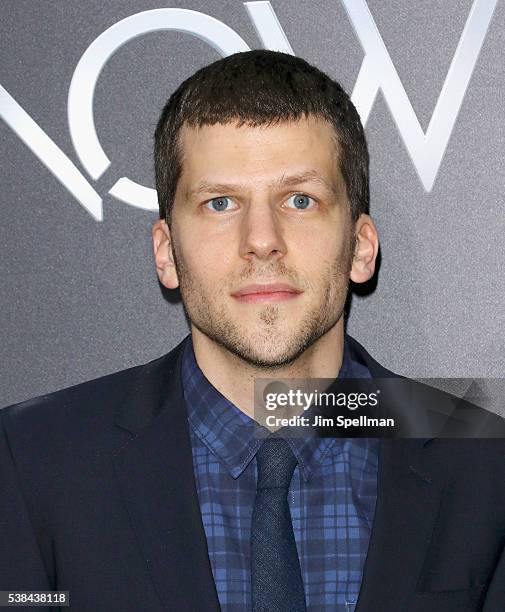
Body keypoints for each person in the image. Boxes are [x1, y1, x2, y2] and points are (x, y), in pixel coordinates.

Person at [1, 50, 505, 612]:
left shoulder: (487, 465)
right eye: (220, 203)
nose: (261, 239)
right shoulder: (33, 462)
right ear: (166, 254)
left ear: (361, 248)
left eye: (299, 200)